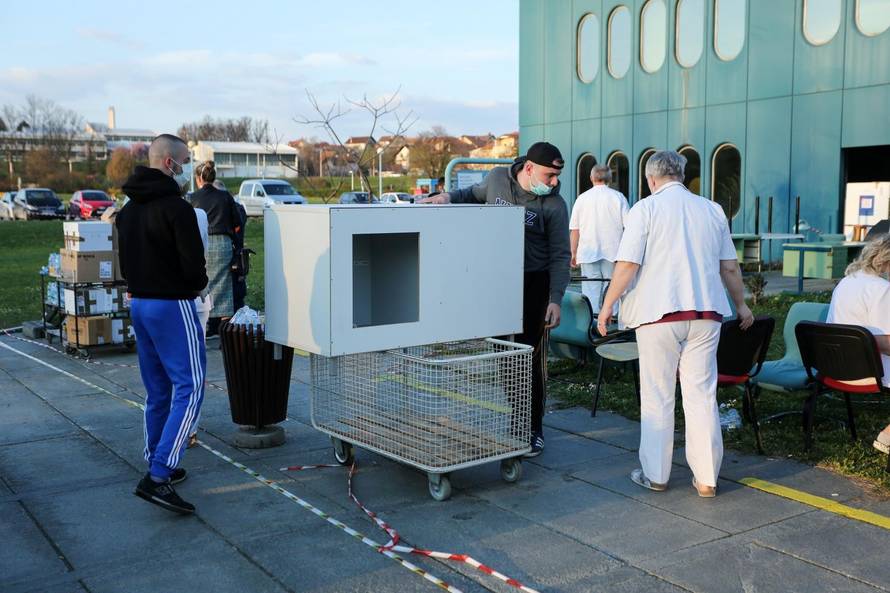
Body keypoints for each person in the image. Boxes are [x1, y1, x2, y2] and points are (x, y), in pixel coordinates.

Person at [597, 150, 753, 498]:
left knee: (658, 396)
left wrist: (607, 306)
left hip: (659, 315)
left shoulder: (646, 209)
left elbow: (627, 265)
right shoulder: (712, 210)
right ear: (682, 175)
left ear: (651, 179)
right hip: (706, 315)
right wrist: (741, 305)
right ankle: (708, 478)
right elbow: (729, 266)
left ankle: (657, 475)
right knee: (701, 396)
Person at [420, 141, 570, 457]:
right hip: (499, 282)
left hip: (535, 284)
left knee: (530, 357)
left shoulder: (554, 206)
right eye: (549, 175)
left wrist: (555, 298)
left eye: (557, 176)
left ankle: (531, 427)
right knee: (504, 355)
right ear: (528, 168)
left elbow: (560, 255)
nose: (554, 182)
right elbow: (471, 194)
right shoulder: (498, 178)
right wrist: (447, 198)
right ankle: (514, 418)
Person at [117, 134, 208, 514]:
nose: (187, 167)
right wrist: (196, 287)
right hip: (173, 305)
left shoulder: (127, 210)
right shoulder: (177, 208)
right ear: (169, 162)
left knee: (158, 390)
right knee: (191, 386)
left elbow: (125, 262)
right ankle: (158, 474)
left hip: (139, 304)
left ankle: (157, 458)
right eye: (185, 160)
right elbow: (193, 264)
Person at [825, 235, 890, 453]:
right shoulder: (881, 288)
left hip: (834, 366)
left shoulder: (848, 281)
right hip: (867, 370)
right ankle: (888, 435)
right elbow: (884, 342)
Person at [188, 161, 241, 336]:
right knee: (225, 290)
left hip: (200, 243)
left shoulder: (192, 198)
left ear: (199, 178)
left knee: (203, 284)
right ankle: (224, 335)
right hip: (223, 244)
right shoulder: (225, 196)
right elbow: (237, 223)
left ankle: (204, 328)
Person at [569, 164, 629, 314]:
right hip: (613, 251)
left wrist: (573, 252)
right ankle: (612, 319)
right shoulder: (618, 197)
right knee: (613, 287)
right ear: (610, 178)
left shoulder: (582, 199)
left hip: (588, 251)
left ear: (591, 178)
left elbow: (575, 229)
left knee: (590, 289)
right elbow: (629, 226)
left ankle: (592, 321)